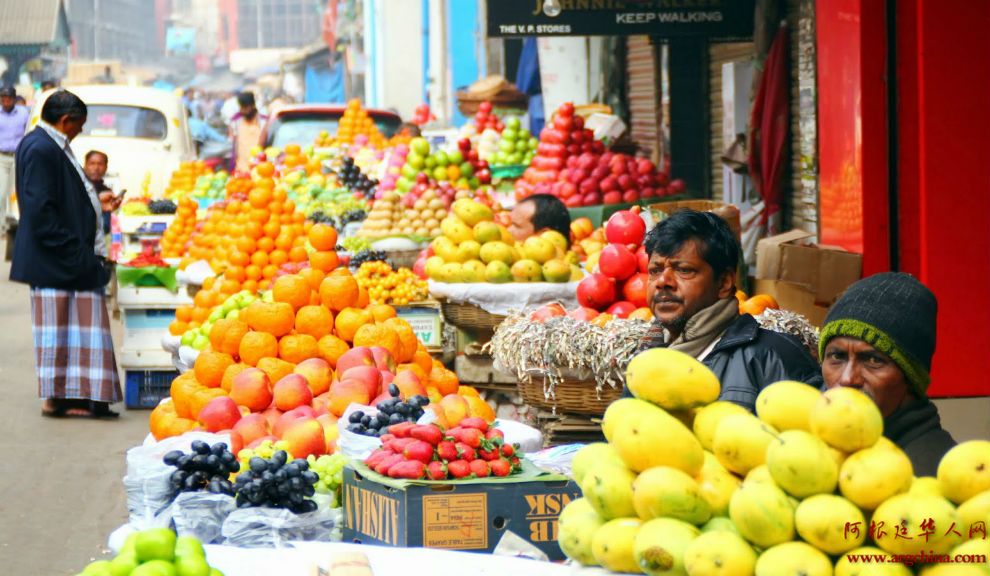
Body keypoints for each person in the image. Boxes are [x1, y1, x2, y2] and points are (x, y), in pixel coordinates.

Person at [625, 209, 821, 411]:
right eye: (655, 271)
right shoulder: (644, 360)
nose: (662, 281)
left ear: (724, 282)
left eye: (684, 270)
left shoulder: (771, 356)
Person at [9, 90, 121, 419]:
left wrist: (92, 203)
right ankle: (57, 398)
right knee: (59, 331)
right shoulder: (41, 148)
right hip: (57, 256)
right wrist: (75, 252)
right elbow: (40, 211)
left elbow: (62, 194)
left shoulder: (50, 144)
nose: (81, 130)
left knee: (76, 329)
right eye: (79, 124)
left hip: (66, 254)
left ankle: (76, 396)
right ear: (65, 120)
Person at [818, 272, 956, 476]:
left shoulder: (928, 475)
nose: (847, 378)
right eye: (837, 356)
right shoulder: (822, 449)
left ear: (911, 378)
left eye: (873, 360)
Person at [0, 86, 29, 234]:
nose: (6, 102)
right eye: (3, 99)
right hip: (2, 158)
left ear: (14, 99)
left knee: (18, 190)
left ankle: (19, 222)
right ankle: (2, 225)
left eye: (9, 99)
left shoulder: (23, 113)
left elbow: (29, 132)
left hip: (19, 157)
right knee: (2, 191)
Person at [83, 150, 123, 235]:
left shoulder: (107, 192)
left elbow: (105, 227)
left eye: (100, 164)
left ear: (106, 167)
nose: (96, 168)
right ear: (85, 165)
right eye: (92, 163)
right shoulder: (75, 187)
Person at [229, 91, 266, 174]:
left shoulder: (263, 121)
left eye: (245, 107)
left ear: (253, 105)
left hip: (259, 168)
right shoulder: (236, 121)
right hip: (241, 168)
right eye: (241, 107)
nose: (242, 110)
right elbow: (234, 141)